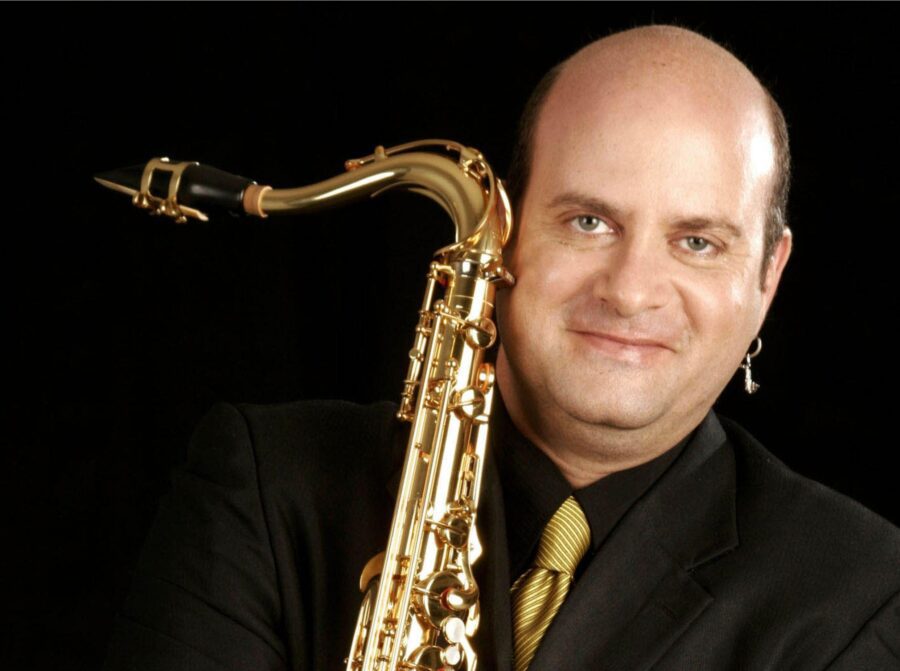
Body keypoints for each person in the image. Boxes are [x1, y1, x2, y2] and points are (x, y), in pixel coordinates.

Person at [104, 25, 900, 671]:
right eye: (589, 221)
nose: (630, 290)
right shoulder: (266, 487)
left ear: (769, 275)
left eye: (697, 241)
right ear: (504, 231)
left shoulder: (861, 592)